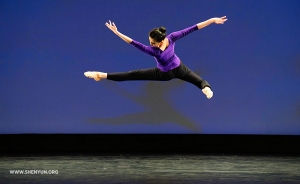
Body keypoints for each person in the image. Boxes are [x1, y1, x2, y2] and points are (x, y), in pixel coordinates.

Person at [84, 16, 227, 99]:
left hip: (165, 74)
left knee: (132, 75)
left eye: (152, 42)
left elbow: (133, 43)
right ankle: (206, 88)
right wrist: (213, 20)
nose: (150, 44)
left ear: (160, 41)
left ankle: (100, 75)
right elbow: (194, 28)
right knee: (200, 81)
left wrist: (117, 33)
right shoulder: (171, 38)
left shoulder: (154, 51)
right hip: (179, 68)